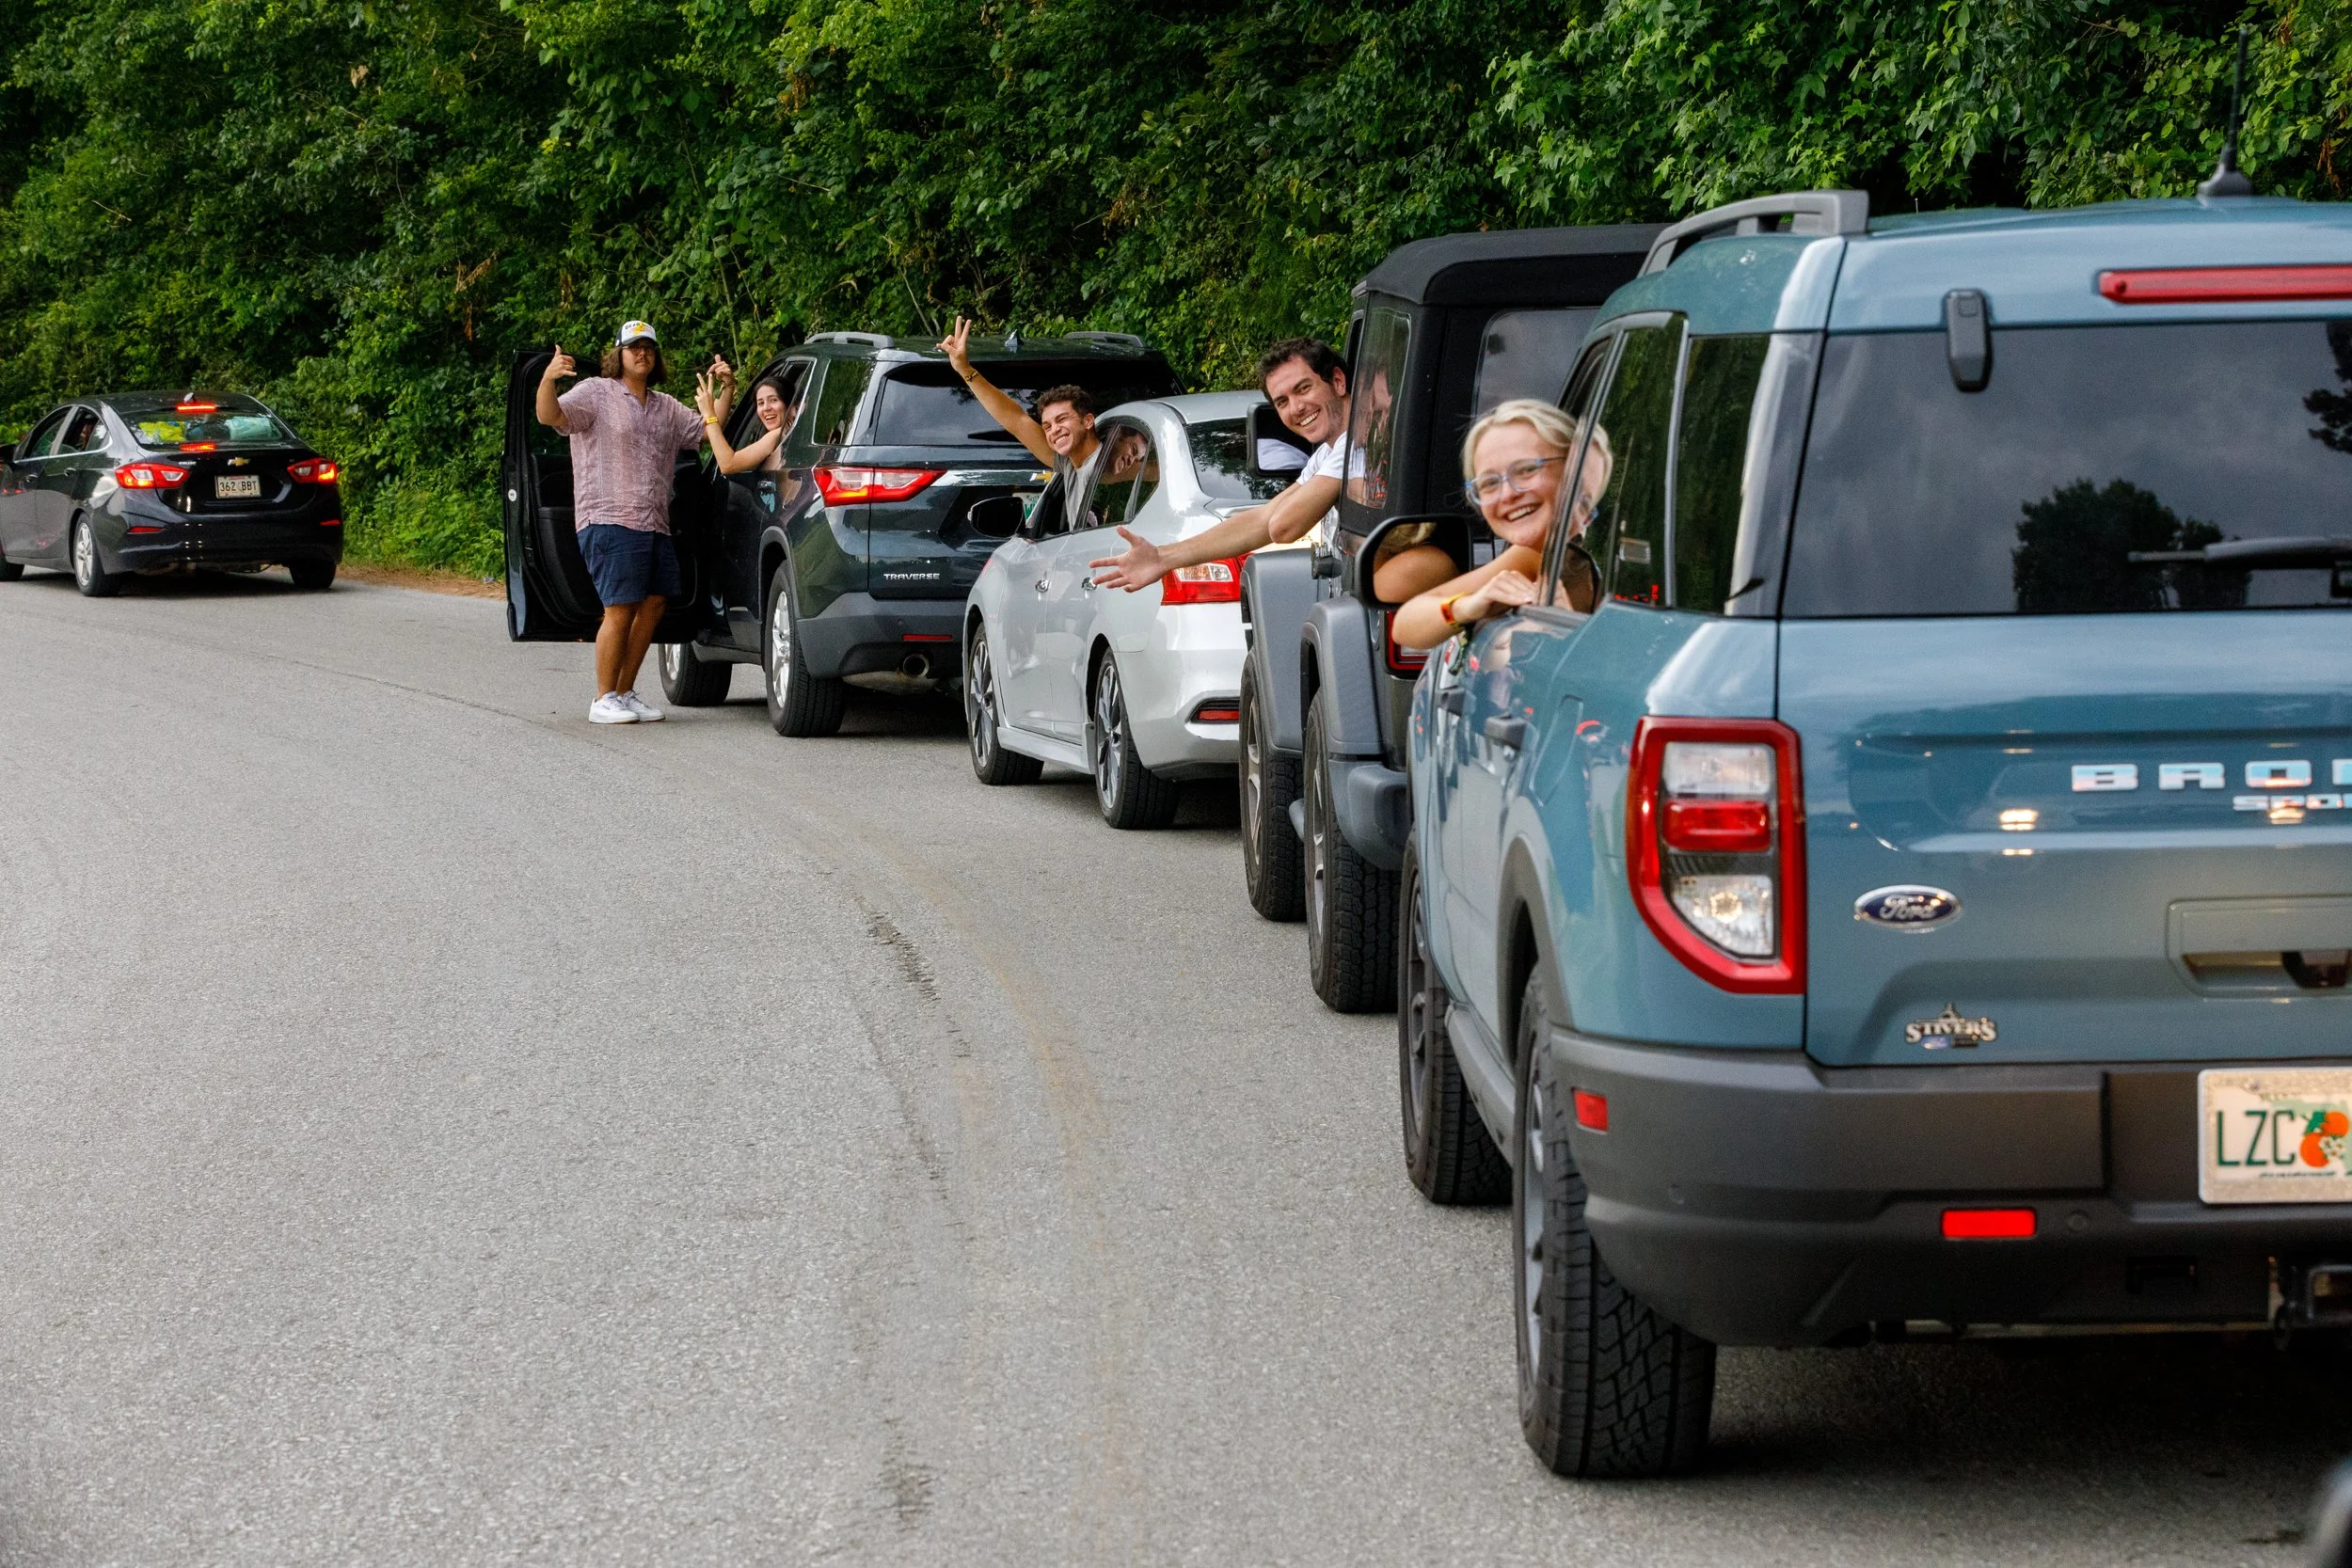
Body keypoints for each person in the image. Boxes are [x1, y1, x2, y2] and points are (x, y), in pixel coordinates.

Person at [535, 319, 713, 725]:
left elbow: (706, 433)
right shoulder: (596, 393)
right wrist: (548, 379)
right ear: (619, 354)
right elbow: (550, 416)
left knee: (653, 604)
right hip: (609, 517)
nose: (642, 353)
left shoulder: (666, 405)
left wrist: (725, 393)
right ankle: (602, 698)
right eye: (634, 347)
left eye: (649, 347)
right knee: (619, 608)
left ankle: (624, 691)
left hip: (654, 521)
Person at [1089, 338, 1351, 592]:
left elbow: (1282, 527)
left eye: (1303, 388)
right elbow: (1263, 518)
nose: (1295, 408)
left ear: (1338, 381)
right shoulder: (1329, 452)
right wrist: (1163, 557)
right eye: (1282, 402)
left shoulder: (1357, 444)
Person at [1390, 398, 1611, 650]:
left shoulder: (1594, 549)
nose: (1507, 494)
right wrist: (1468, 606)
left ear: (1573, 471)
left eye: (1527, 470)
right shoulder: (1535, 554)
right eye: (1489, 483)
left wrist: (1568, 631)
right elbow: (1405, 624)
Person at [935, 317, 1101, 528]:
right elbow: (1016, 419)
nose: (1054, 430)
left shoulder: (1111, 460)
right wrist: (964, 369)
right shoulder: (1067, 463)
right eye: (1047, 426)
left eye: (1062, 419)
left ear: (1088, 421)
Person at [697, 370, 796, 476]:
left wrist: (709, 415)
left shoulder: (777, 435)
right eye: (761, 403)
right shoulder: (791, 432)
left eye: (773, 400)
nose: (766, 408)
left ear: (791, 407)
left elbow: (728, 465)